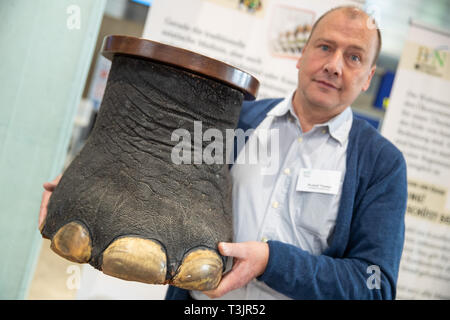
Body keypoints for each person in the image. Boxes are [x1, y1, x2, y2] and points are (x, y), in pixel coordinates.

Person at [39, 6, 407, 300]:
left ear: (369, 76)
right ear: (302, 54)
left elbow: (375, 286)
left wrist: (271, 262)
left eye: (354, 57)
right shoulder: (237, 122)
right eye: (325, 47)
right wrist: (86, 184)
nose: (334, 65)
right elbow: (159, 173)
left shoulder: (380, 164)